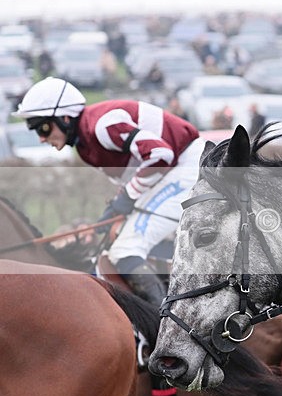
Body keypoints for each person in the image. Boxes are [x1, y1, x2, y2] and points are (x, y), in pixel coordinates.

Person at [12, 77, 204, 305]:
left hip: (187, 165)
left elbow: (161, 156)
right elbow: (133, 177)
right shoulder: (84, 147)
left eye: (43, 127)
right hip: (173, 170)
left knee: (126, 249)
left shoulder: (102, 126)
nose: (42, 138)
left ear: (65, 117)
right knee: (120, 242)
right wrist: (117, 208)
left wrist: (128, 197)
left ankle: (166, 323)